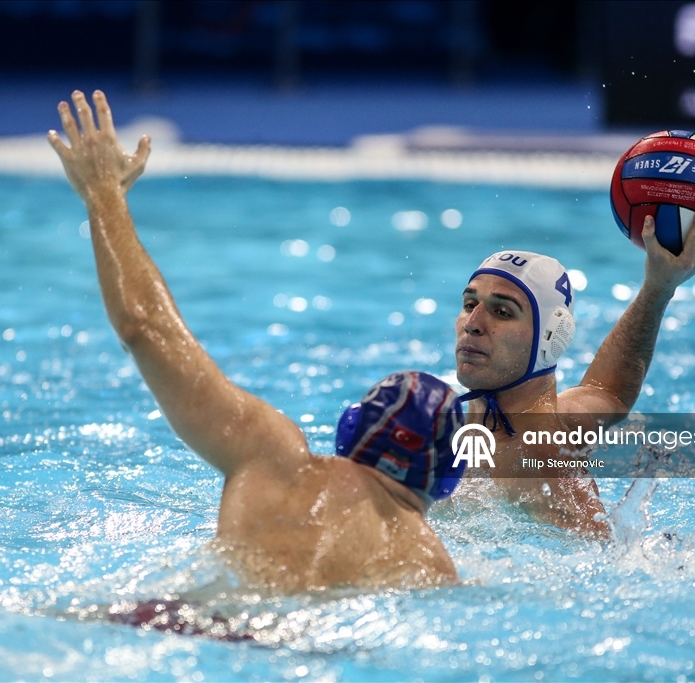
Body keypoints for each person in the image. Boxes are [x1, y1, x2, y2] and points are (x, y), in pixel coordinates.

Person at [48, 90, 466, 593]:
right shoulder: (432, 568)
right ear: (447, 480)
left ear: (349, 429)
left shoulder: (275, 457)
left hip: (179, 627)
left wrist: (103, 193)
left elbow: (144, 325)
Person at [454, 209, 695, 537]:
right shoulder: (567, 416)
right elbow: (610, 391)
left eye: (502, 312)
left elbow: (601, 558)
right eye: (468, 303)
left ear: (550, 337)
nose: (472, 324)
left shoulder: (537, 459)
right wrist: (658, 287)